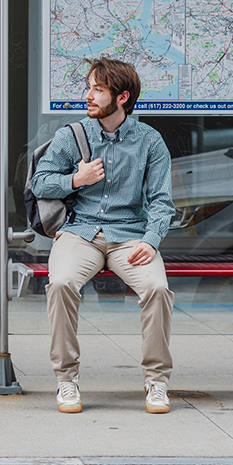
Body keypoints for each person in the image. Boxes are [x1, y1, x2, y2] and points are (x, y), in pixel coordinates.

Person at [30, 58, 175, 415]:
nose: (88, 95)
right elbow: (38, 183)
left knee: (157, 289)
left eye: (98, 89)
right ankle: (66, 379)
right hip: (81, 233)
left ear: (122, 97)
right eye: (89, 87)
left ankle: (156, 381)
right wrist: (75, 181)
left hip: (131, 236)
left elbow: (161, 201)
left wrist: (151, 240)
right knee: (61, 282)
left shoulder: (149, 142)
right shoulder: (71, 136)